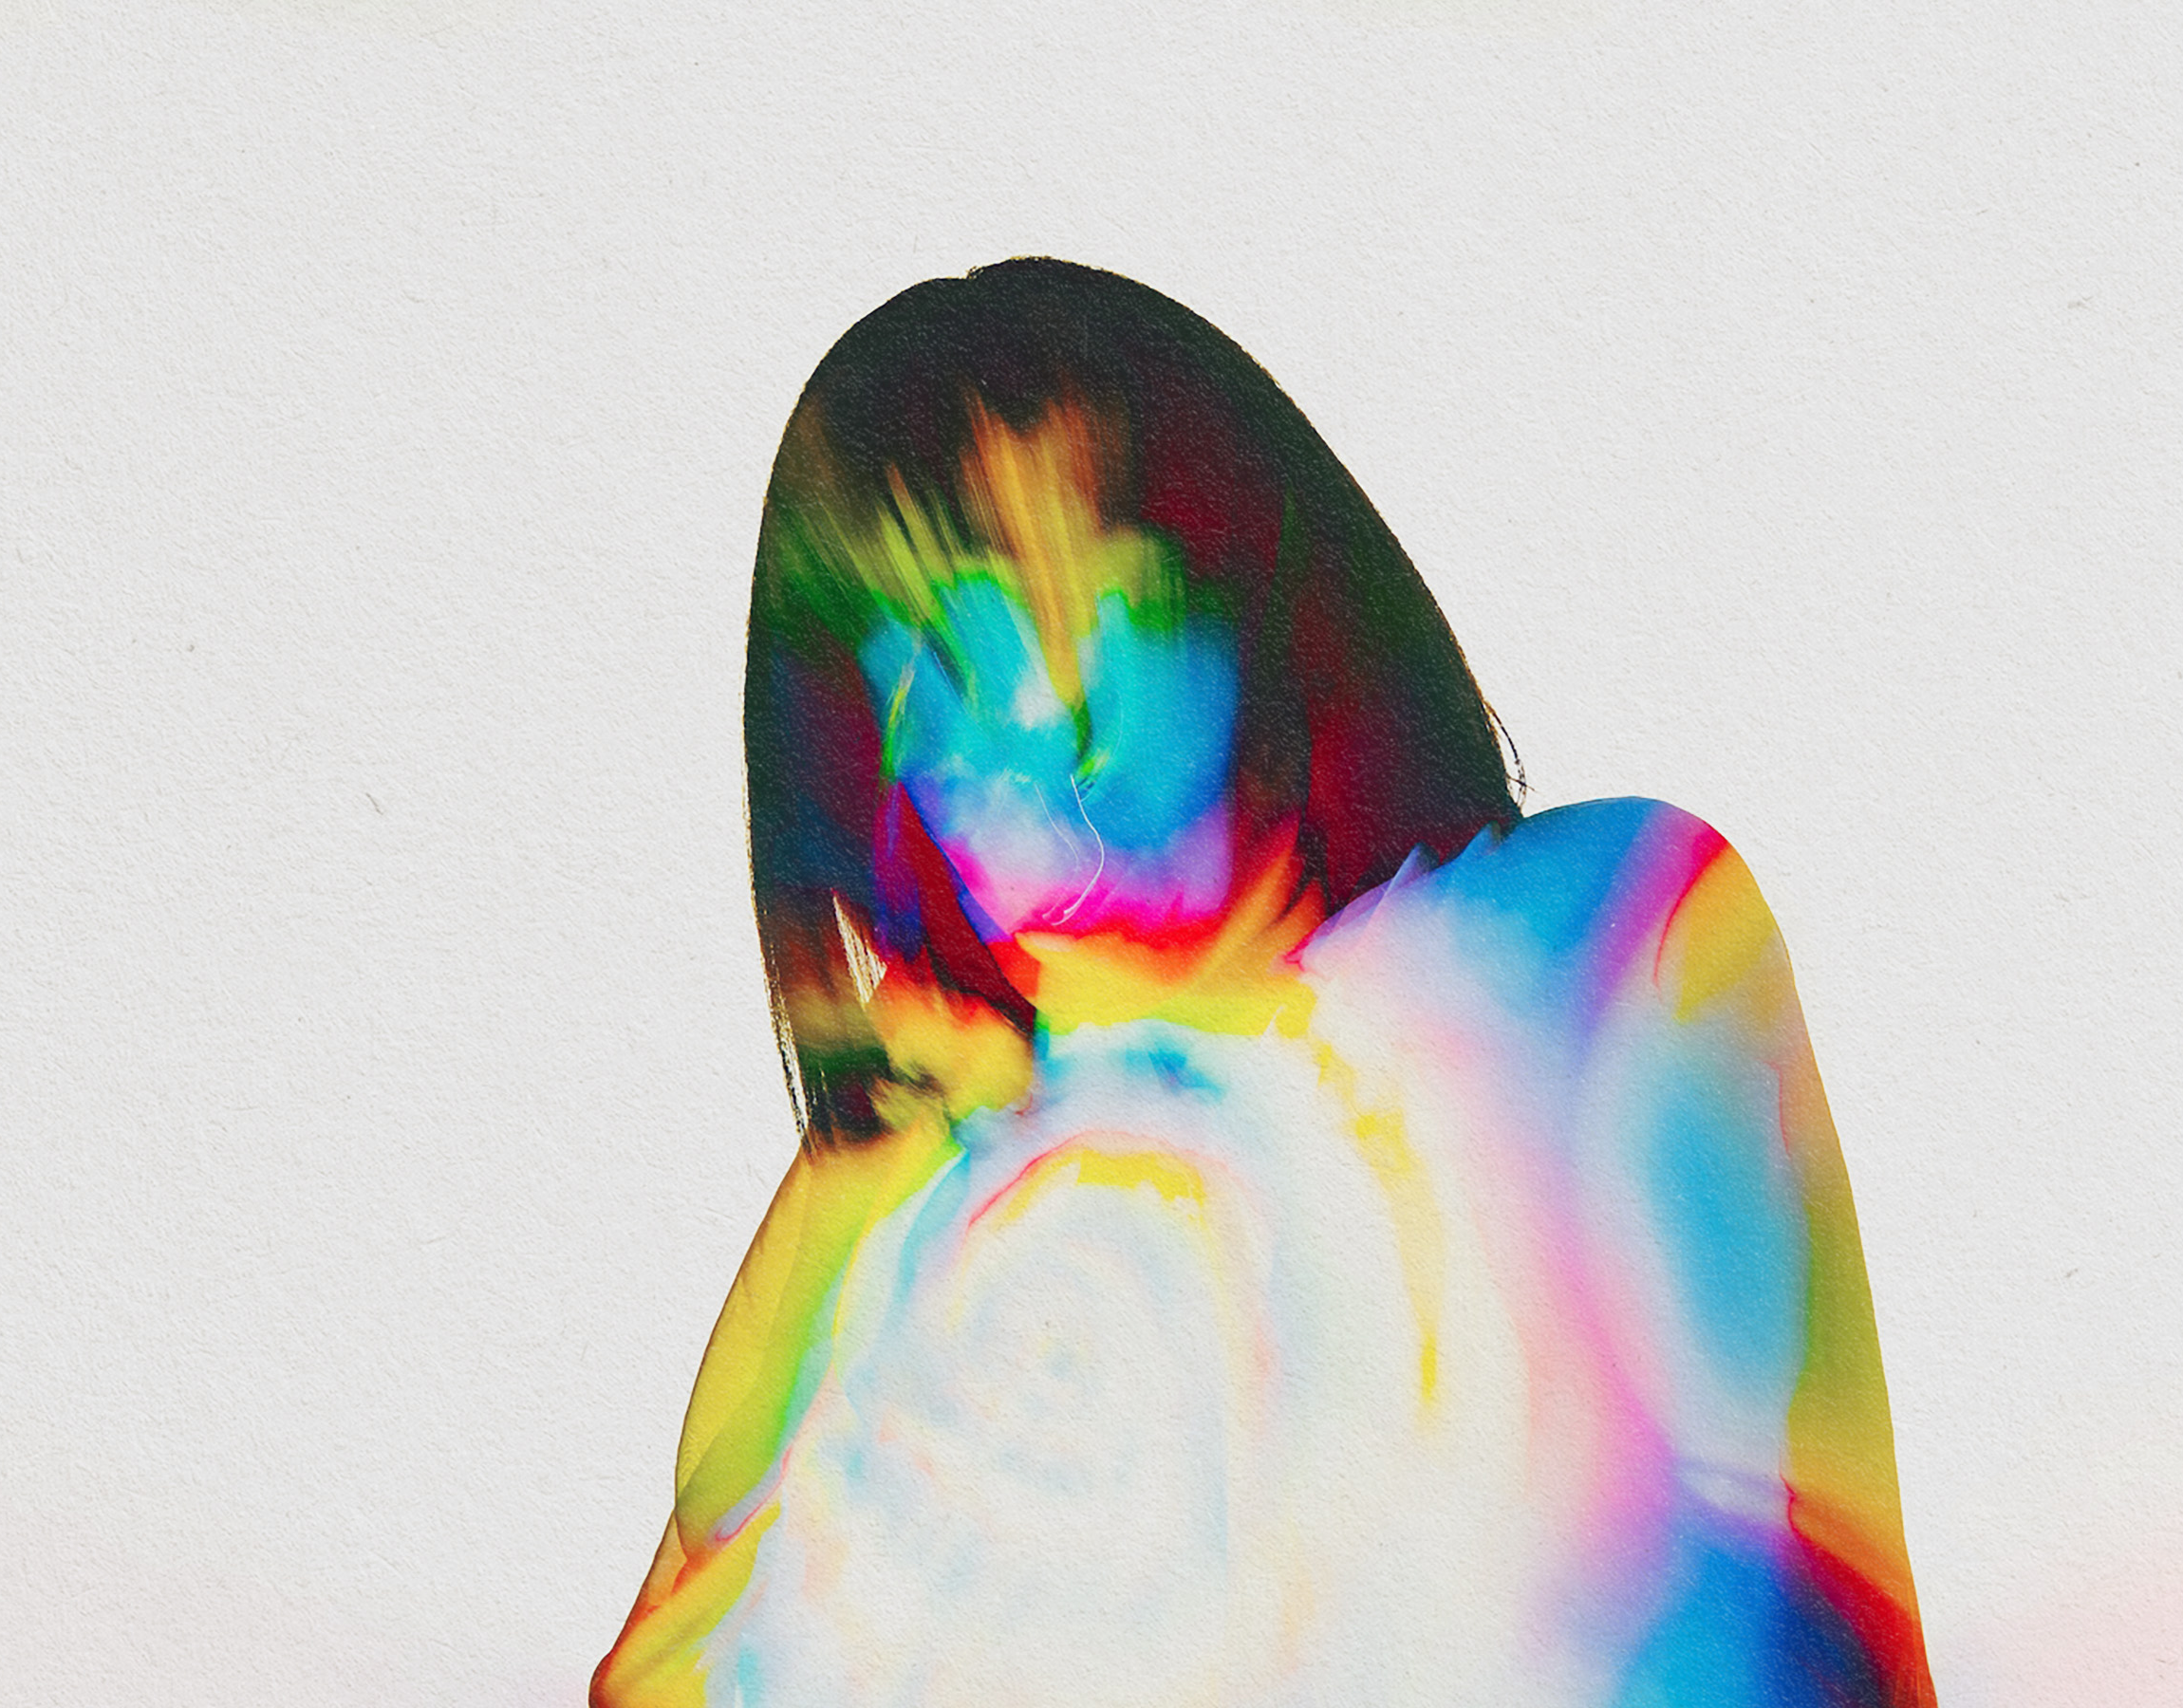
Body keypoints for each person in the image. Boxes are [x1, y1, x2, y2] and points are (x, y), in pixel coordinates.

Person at [593, 258, 1935, 1708]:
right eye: (940, 666)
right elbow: (666, 1660)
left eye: (1096, 594)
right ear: (859, 760)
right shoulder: (917, 1216)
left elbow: (1809, 1625)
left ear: (1251, 587)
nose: (1046, 721)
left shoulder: (1600, 936)